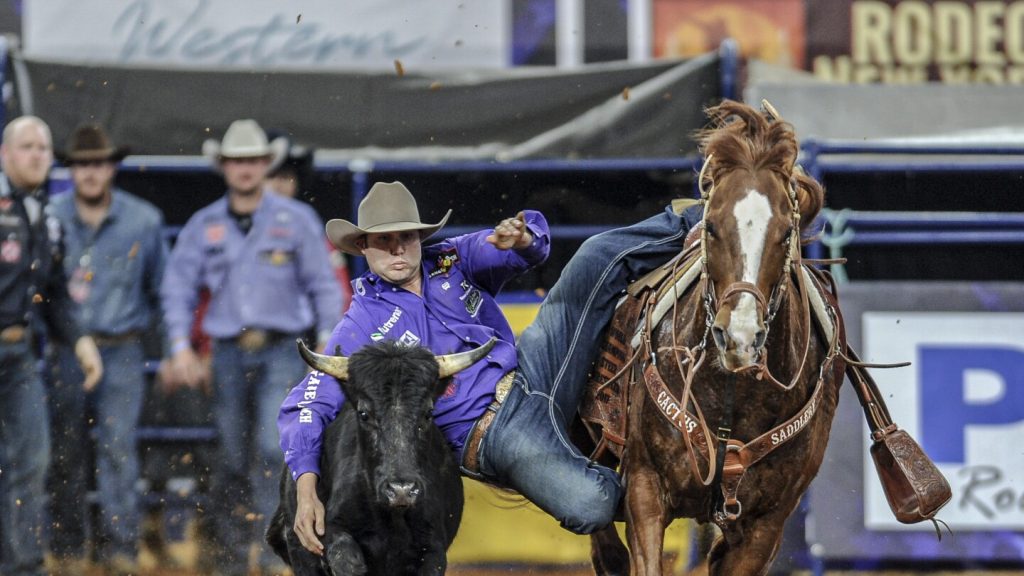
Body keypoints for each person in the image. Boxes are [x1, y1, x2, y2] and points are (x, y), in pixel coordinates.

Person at [277, 180, 702, 555]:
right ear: (362, 247)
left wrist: (521, 238)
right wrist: (306, 485)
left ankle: (702, 218)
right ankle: (677, 494)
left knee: (593, 256)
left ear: (419, 239)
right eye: (383, 240)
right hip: (494, 434)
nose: (396, 248)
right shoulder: (360, 327)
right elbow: (310, 402)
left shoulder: (447, 259)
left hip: (535, 367)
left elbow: (522, 247)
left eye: (406, 237)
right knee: (588, 506)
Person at [160, 118, 342, 575]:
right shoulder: (205, 226)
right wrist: (181, 345)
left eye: (252, 160)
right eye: (237, 161)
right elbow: (177, 287)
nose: (245, 169)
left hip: (282, 348)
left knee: (269, 446)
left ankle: (274, 551)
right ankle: (233, 556)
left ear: (266, 164)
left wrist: (325, 346)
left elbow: (325, 287)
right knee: (231, 453)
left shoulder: (296, 220)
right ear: (225, 166)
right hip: (226, 352)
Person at [47, 123, 167, 575]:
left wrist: (164, 342)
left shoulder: (144, 221)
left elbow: (161, 289)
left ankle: (121, 551)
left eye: (98, 163)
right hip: (66, 350)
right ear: (72, 170)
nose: (91, 173)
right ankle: (69, 549)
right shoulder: (52, 217)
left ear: (112, 167)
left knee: (118, 450)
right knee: (65, 450)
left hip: (122, 348)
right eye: (82, 165)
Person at [0, 115, 103, 576]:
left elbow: (56, 292)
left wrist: (80, 341)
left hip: (19, 353)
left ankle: (23, 565)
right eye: (27, 146)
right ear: (5, 155)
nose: (38, 154)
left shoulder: (48, 218)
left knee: (31, 460)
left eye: (43, 147)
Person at [264, 133, 352, 314]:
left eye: (286, 176)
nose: (278, 185)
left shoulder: (309, 228)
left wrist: (329, 335)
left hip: (298, 333)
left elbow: (336, 292)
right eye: (271, 175)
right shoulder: (225, 226)